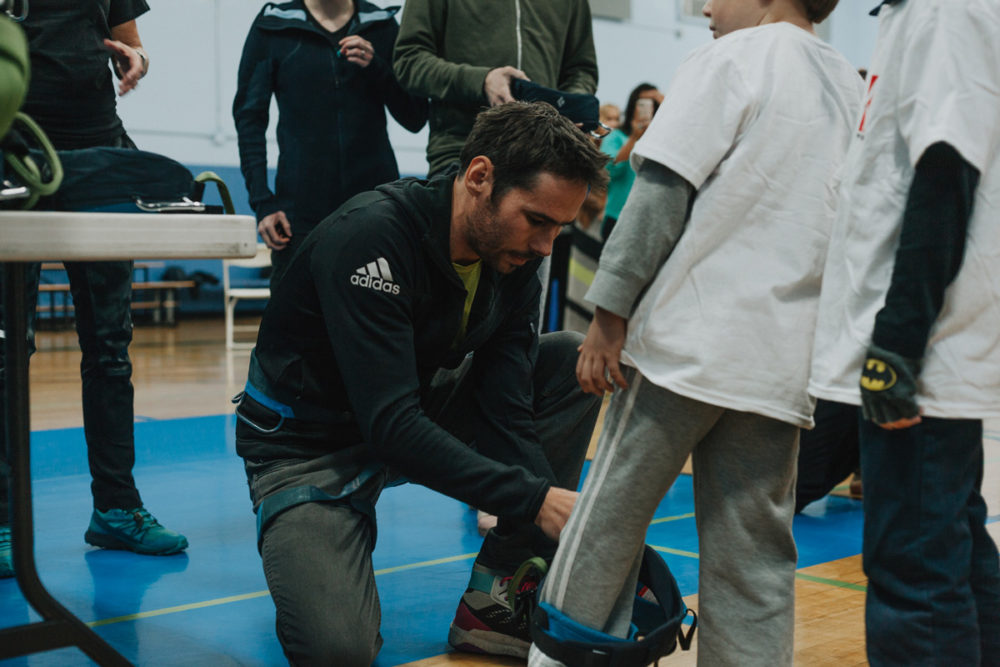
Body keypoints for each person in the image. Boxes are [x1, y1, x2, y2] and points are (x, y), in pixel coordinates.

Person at [527, 0, 863, 664]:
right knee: (755, 557)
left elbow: (660, 193)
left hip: (683, 350)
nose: (705, 6)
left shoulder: (729, 59)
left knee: (607, 520)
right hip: (779, 366)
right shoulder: (851, 88)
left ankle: (559, 659)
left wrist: (608, 315)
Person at [233, 102, 608, 665]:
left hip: (407, 405)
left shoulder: (512, 259)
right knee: (340, 652)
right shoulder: (371, 236)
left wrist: (540, 529)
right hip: (306, 448)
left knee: (568, 363)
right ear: (480, 177)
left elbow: (505, 410)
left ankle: (497, 605)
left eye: (559, 227)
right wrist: (536, 499)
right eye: (537, 220)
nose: (545, 246)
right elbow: (390, 428)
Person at [808, 0, 1000, 663]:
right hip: (928, 341)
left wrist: (897, 345)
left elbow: (946, 173)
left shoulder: (944, 10)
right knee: (955, 546)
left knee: (914, 569)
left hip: (923, 347)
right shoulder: (918, 14)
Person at [0, 0, 188, 580]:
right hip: (16, 153)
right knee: (9, 352)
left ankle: (116, 507)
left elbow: (129, 43)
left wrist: (137, 60)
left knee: (109, 350)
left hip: (100, 149)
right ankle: (4, 518)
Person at [233, 0, 428, 287]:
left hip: (375, 209)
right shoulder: (274, 26)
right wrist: (262, 202)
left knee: (376, 321)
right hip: (299, 215)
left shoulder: (382, 26)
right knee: (293, 326)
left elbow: (416, 117)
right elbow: (249, 119)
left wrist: (377, 68)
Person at [392, 0, 598, 179]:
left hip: (544, 157)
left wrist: (569, 108)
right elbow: (409, 59)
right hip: (463, 150)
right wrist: (482, 80)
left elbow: (582, 69)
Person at [599, 83, 662, 241]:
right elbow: (610, 171)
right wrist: (634, 138)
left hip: (649, 221)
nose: (647, 108)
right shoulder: (616, 137)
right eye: (641, 104)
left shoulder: (661, 141)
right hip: (617, 217)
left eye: (652, 104)